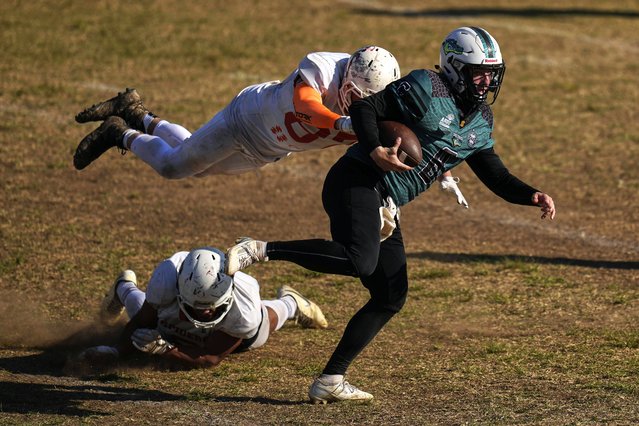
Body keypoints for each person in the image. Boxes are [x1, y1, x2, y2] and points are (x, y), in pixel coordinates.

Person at [224, 27, 556, 404]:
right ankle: (260, 249)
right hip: (358, 179)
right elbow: (366, 108)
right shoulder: (425, 87)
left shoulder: (481, 120)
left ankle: (331, 379)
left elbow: (493, 172)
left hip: (387, 200)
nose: (485, 81)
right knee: (359, 261)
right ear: (453, 67)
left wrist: (532, 194)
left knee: (390, 295)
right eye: (477, 72)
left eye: (491, 74)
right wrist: (375, 149)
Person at [72, 45, 469, 207]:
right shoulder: (324, 69)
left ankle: (135, 110)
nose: (367, 106)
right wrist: (350, 122)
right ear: (348, 78)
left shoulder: (380, 98)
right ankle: (118, 131)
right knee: (173, 167)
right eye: (359, 96)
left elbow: (421, 129)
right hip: (246, 120)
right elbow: (305, 108)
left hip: (270, 149)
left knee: (194, 162)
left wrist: (440, 171)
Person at [79, 247, 328, 369]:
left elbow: (209, 357)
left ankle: (291, 303)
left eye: (212, 306)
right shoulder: (168, 279)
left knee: (262, 328)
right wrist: (116, 351)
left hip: (225, 329)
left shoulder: (244, 306)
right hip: (174, 312)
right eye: (200, 307)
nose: (207, 313)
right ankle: (124, 287)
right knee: (147, 311)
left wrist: (164, 349)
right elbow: (144, 318)